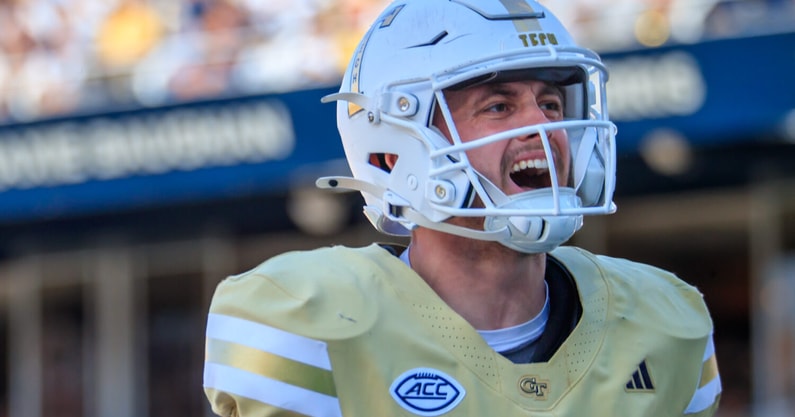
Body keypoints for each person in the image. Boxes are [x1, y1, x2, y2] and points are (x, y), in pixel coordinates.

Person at [203, 0, 722, 416]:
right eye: (499, 106)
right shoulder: (307, 324)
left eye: (551, 104)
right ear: (393, 148)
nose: (543, 130)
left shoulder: (664, 324)